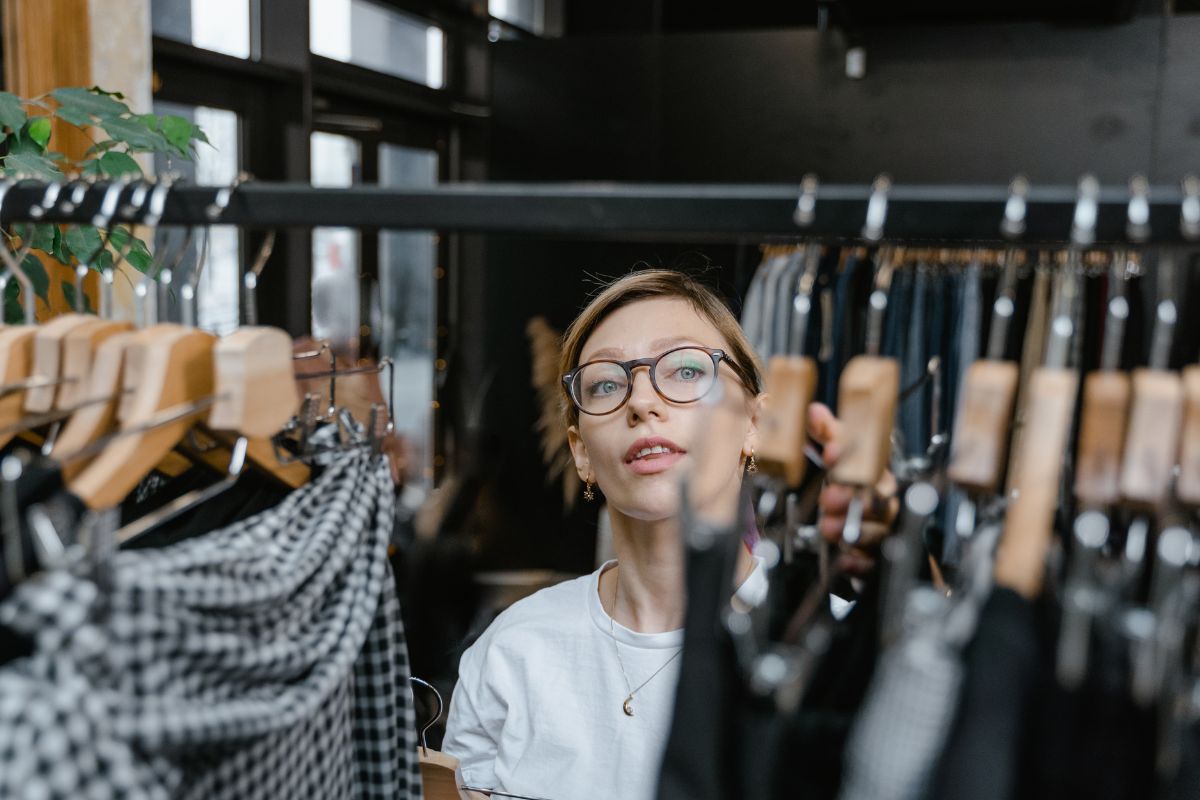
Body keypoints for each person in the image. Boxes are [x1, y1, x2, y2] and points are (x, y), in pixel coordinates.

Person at [442, 269, 896, 800]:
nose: (641, 402)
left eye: (685, 370)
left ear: (755, 424)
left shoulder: (830, 650)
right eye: (606, 384)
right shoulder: (513, 651)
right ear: (581, 452)